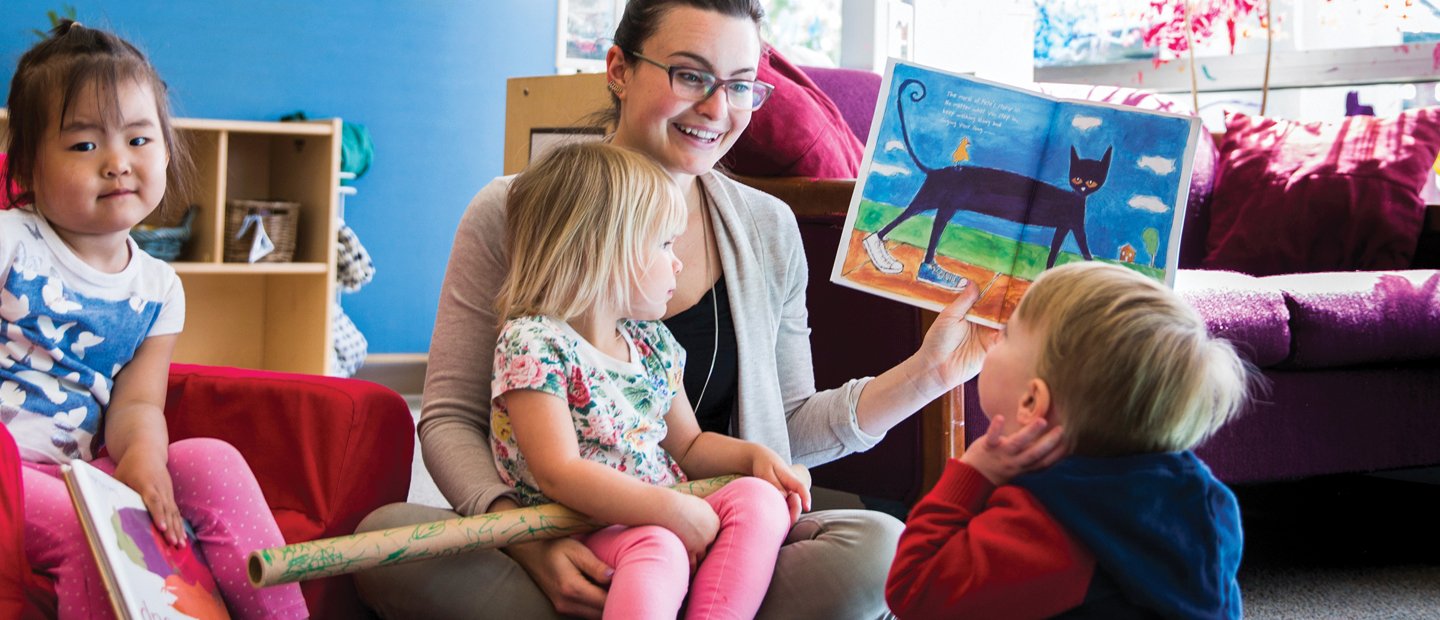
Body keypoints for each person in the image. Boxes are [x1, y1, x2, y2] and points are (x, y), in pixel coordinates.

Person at [355, 1, 1059, 617]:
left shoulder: (768, 226)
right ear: (618, 69)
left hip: (714, 531)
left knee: (873, 547)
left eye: (742, 85)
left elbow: (783, 431)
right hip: (554, 528)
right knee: (383, 539)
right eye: (690, 74)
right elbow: (447, 416)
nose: (718, 110)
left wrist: (929, 375)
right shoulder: (513, 209)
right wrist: (530, 538)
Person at [1, 22, 307, 619]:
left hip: (83, 467)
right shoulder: (12, 242)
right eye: (85, 145)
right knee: (89, 530)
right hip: (7, 470)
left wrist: (142, 458)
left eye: (139, 140)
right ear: (27, 169)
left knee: (211, 460)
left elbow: (137, 404)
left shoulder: (159, 288)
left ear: (167, 149)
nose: (118, 163)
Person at [492, 141, 801, 618]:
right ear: (600, 249)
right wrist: (670, 511)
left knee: (758, 499)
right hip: (582, 525)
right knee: (659, 549)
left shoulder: (653, 343)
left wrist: (755, 457)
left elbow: (690, 447)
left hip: (665, 508)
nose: (677, 261)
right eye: (662, 244)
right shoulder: (533, 343)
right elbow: (559, 472)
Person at [886, 262, 1258, 619]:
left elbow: (913, 588)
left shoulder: (1045, 525)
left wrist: (973, 471)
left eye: (1008, 335)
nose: (993, 336)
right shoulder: (1210, 500)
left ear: (1032, 402)